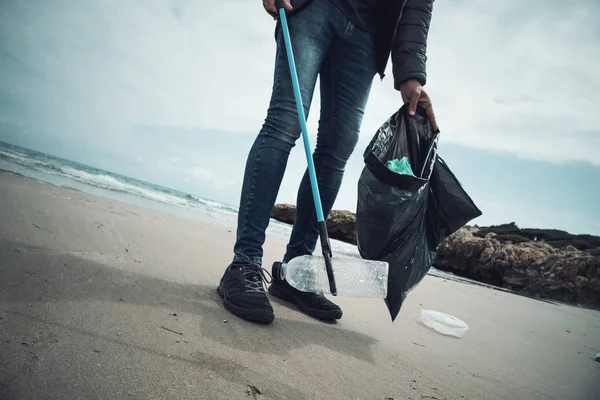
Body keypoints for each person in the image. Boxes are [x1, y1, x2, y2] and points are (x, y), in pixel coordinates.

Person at [217, 0, 438, 324]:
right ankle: (245, 263)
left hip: (369, 33)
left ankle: (297, 273)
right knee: (285, 122)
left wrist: (411, 73)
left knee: (337, 148)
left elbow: (417, 6)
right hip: (313, 8)